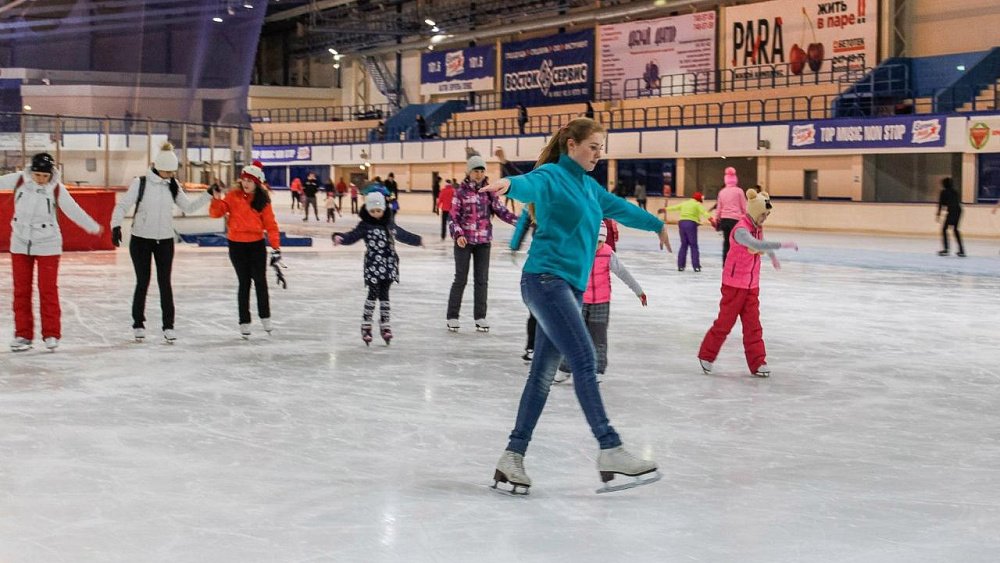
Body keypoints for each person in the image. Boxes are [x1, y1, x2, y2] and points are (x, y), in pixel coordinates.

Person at [480, 117, 672, 495]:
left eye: (602, 149)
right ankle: (610, 447)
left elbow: (620, 208)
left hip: (568, 288)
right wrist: (509, 183)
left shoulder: (590, 188)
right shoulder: (552, 175)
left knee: (542, 376)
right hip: (545, 281)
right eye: (593, 147)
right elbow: (529, 183)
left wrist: (656, 224)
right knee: (584, 359)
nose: (598, 155)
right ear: (571, 144)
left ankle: (512, 457)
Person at [0, 153, 102, 351]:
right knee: (21, 291)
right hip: (20, 243)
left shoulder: (56, 188)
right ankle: (23, 335)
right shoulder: (20, 179)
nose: (40, 179)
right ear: (32, 172)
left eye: (44, 176)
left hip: (48, 244)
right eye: (37, 175)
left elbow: (73, 210)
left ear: (51, 174)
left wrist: (92, 226)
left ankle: (51, 334)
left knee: (47, 290)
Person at [111, 142, 212, 342]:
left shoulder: (172, 186)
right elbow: (122, 206)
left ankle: (168, 325)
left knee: (165, 283)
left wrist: (207, 195)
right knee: (143, 282)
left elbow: (189, 207)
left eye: (173, 172)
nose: (171, 175)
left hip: (165, 241)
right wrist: (115, 226)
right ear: (159, 168)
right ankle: (138, 323)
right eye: (168, 172)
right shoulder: (140, 183)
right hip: (141, 240)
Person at [698, 189, 798, 378]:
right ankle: (706, 355)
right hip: (734, 285)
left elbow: (762, 243)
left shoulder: (757, 227)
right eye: (763, 214)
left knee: (753, 325)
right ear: (753, 211)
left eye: (767, 215)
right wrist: (783, 245)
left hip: (751, 286)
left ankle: (758, 362)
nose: (765, 218)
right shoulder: (741, 230)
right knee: (725, 323)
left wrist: (773, 257)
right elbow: (757, 245)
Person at [556, 222, 646, 383]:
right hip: (580, 299)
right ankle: (565, 368)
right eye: (594, 241)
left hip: (602, 301)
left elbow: (623, 273)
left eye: (601, 242)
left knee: (598, 337)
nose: (597, 246)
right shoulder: (579, 252)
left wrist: (638, 291)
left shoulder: (607, 254)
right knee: (574, 334)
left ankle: (596, 370)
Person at [333, 191, 422, 345]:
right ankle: (366, 325)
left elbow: (402, 235)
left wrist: (417, 240)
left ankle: (385, 325)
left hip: (388, 264)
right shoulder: (365, 225)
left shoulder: (389, 224)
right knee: (373, 293)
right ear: (368, 210)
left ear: (383, 209)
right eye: (372, 211)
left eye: (378, 211)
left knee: (385, 295)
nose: (375, 214)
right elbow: (352, 236)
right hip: (373, 265)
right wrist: (341, 237)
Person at [446, 153, 519, 332]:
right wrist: (458, 234)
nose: (479, 174)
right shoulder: (460, 192)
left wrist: (519, 221)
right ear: (469, 172)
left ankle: (480, 317)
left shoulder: (489, 191)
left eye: (481, 170)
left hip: (484, 241)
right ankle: (452, 316)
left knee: (482, 280)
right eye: (475, 170)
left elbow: (501, 211)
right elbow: (453, 217)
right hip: (464, 241)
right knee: (460, 279)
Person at [209, 163, 282, 339]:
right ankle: (244, 321)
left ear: (257, 183)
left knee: (260, 282)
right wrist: (216, 199)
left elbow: (271, 225)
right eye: (244, 180)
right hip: (237, 246)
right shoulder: (233, 196)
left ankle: (265, 317)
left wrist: (276, 247)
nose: (246, 183)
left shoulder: (262, 200)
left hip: (256, 245)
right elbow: (216, 214)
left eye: (250, 181)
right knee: (244, 283)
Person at [662, 191, 711, 272]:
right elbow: (704, 213)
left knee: (683, 245)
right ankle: (696, 266)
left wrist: (665, 209)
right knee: (693, 245)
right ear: (699, 199)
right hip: (691, 224)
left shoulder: (685, 203)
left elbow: (675, 207)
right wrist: (712, 220)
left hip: (682, 223)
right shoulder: (697, 204)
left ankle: (681, 266)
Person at [714, 167, 747, 266]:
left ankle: (725, 264)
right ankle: (737, 264)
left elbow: (719, 208)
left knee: (726, 242)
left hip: (724, 220)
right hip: (736, 220)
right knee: (737, 243)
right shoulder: (739, 191)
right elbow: (744, 207)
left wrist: (717, 219)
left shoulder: (722, 192)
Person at [937, 177, 964, 257]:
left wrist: (938, 214)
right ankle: (961, 250)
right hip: (959, 210)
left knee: (944, 229)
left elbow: (941, 204)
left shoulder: (944, 192)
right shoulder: (955, 191)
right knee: (955, 229)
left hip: (952, 211)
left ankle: (946, 249)